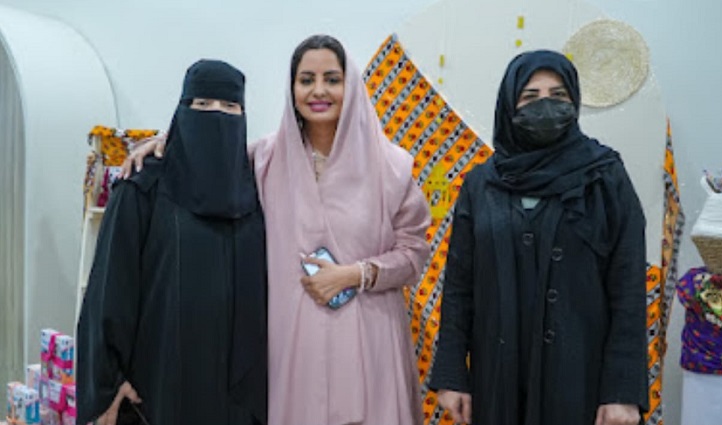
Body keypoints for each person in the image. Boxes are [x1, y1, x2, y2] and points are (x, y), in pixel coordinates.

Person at [122, 35, 431, 425]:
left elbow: (414, 251)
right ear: (291, 88)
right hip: (291, 347)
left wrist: (357, 274)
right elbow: (212, 149)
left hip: (369, 342)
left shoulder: (391, 168)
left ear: (351, 86)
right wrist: (166, 140)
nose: (319, 91)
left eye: (332, 79)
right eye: (306, 80)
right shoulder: (264, 160)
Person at [429, 50, 648, 425]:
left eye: (558, 95)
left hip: (580, 375)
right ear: (509, 105)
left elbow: (628, 289)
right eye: (530, 97)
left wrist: (622, 392)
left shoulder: (604, 176)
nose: (545, 105)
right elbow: (459, 288)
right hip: (497, 374)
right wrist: (451, 375)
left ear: (574, 100)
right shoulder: (481, 185)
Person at [76, 59, 267, 425]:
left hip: (238, 401)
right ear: (182, 111)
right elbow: (109, 292)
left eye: (230, 106)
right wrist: (107, 384)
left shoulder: (256, 195)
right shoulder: (143, 190)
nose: (216, 115)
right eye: (203, 104)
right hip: (158, 390)